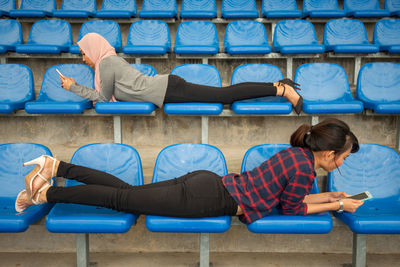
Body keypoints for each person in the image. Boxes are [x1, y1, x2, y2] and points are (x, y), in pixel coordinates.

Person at [15, 118, 364, 223]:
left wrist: (330, 195)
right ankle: (45, 192)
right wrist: (336, 206)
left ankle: (57, 166)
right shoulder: (304, 168)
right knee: (121, 199)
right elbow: (293, 208)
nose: (343, 163)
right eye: (344, 157)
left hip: (207, 182)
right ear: (330, 154)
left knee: (125, 193)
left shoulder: (296, 154)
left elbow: (290, 197)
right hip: (208, 199)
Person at [59, 33, 303, 114]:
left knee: (225, 95)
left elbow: (102, 97)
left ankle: (280, 89)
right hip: (167, 88)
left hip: (168, 89)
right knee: (224, 95)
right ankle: (277, 86)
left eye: (83, 53)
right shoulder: (107, 61)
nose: (84, 59)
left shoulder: (106, 63)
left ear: (93, 49)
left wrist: (73, 87)